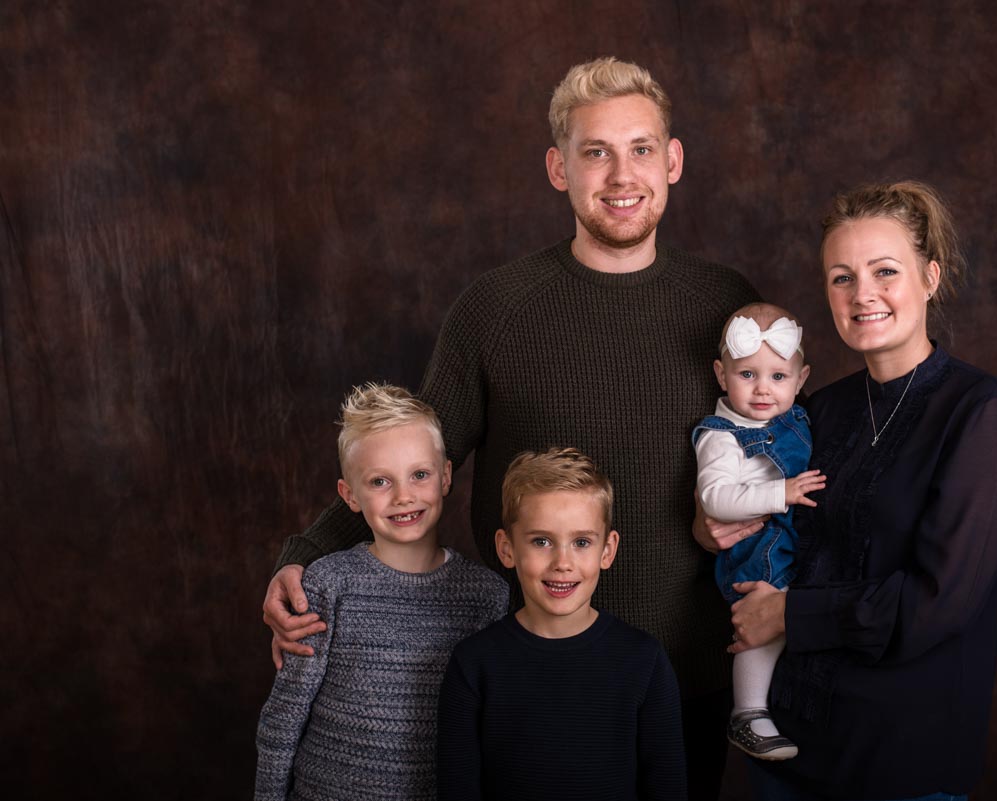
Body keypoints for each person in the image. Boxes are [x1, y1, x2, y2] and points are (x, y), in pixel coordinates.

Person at [262, 57, 760, 799]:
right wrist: (305, 555)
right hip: (523, 675)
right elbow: (415, 462)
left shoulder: (729, 307)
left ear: (674, 160)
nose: (622, 174)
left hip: (683, 672)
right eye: (596, 152)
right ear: (559, 168)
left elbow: (782, 454)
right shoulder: (495, 310)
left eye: (642, 149)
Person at [711, 182, 997, 800]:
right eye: (841, 277)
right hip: (787, 749)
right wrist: (718, 522)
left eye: (884, 271)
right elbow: (770, 524)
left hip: (899, 761)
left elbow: (939, 601)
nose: (862, 295)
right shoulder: (817, 412)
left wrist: (788, 613)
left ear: (930, 277)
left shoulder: (983, 415)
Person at [255, 383, 509, 801]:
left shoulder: (485, 598)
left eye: (420, 475)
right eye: (380, 481)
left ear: (446, 475)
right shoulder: (327, 585)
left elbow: (493, 730)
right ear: (349, 495)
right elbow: (284, 718)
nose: (404, 496)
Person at [436, 447, 686, 801]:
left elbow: (667, 787)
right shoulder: (473, 664)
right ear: (506, 549)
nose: (562, 563)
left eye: (581, 542)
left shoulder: (644, 661)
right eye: (542, 541)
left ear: (607, 550)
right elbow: (458, 789)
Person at [692, 302, 826, 761]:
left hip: (793, 541)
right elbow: (715, 499)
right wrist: (779, 493)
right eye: (747, 375)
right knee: (764, 614)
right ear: (720, 374)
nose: (763, 390)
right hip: (755, 549)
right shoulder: (722, 435)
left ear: (801, 378)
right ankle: (747, 713)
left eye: (778, 377)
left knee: (791, 620)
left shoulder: (795, 421)